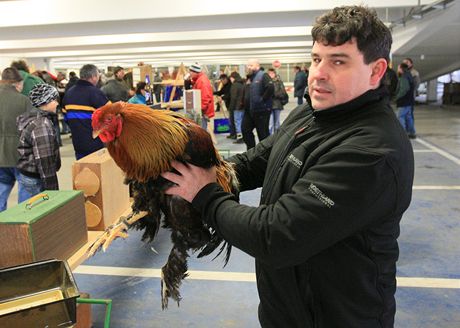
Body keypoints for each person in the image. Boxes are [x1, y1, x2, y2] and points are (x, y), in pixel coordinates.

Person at [161, 5, 414, 327]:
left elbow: (275, 237)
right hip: (286, 308)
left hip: (337, 316)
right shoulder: (312, 113)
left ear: (376, 71)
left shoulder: (372, 152)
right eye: (316, 59)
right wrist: (206, 170)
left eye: (338, 61)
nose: (319, 73)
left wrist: (206, 195)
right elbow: (259, 159)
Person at [16, 84, 61, 200]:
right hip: (36, 178)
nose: (57, 103)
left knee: (25, 210)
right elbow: (45, 161)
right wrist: (53, 192)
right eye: (54, 99)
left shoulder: (28, 117)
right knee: (36, 214)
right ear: (45, 102)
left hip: (25, 173)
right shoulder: (41, 125)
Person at [0, 67, 34, 211]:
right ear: (18, 84)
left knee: (1, 192)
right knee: (25, 196)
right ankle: (21, 228)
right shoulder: (24, 101)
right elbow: (32, 129)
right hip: (20, 154)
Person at [62, 64, 109, 159]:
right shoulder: (96, 93)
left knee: (83, 170)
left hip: (78, 142)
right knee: (97, 171)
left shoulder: (68, 94)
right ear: (94, 77)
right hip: (96, 143)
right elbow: (111, 116)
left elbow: (66, 118)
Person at [241, 59, 274, 150]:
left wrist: (262, 100)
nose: (248, 67)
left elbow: (270, 87)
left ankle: (265, 154)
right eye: (248, 65)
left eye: (251, 65)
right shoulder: (249, 78)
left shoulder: (263, 75)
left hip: (261, 111)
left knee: (263, 135)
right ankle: (251, 150)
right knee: (245, 130)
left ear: (257, 66)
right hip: (249, 111)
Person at [189, 63, 215, 131]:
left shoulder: (202, 81)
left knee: (202, 131)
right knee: (202, 130)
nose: (189, 73)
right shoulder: (199, 80)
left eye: (191, 71)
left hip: (202, 112)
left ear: (195, 72)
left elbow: (205, 97)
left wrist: (199, 110)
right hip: (202, 111)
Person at [396, 62, 416, 139]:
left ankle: (403, 135)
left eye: (398, 68)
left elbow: (404, 89)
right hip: (409, 101)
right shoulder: (410, 75)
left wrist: (396, 97)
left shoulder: (404, 77)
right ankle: (412, 133)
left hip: (403, 101)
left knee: (400, 117)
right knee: (408, 117)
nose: (397, 69)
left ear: (401, 69)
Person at [267, 68, 287, 134]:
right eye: (269, 73)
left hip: (277, 104)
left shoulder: (279, 82)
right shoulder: (266, 82)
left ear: (275, 74)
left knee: (276, 124)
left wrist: (273, 94)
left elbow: (283, 93)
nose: (271, 75)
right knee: (270, 124)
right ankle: (270, 139)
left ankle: (276, 138)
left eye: (272, 73)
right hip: (268, 105)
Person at [213, 74, 234, 138]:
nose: (221, 82)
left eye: (222, 80)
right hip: (229, 105)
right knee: (231, 119)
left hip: (232, 105)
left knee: (233, 120)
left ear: (225, 79)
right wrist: (213, 93)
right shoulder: (225, 86)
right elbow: (220, 92)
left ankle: (234, 134)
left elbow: (229, 95)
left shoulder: (230, 86)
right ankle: (232, 133)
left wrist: (222, 97)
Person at [228, 72, 245, 143]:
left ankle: (240, 138)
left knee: (237, 122)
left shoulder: (235, 85)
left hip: (236, 107)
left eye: (231, 78)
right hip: (243, 107)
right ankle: (243, 137)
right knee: (242, 122)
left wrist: (231, 108)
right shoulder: (242, 84)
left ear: (233, 78)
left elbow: (234, 97)